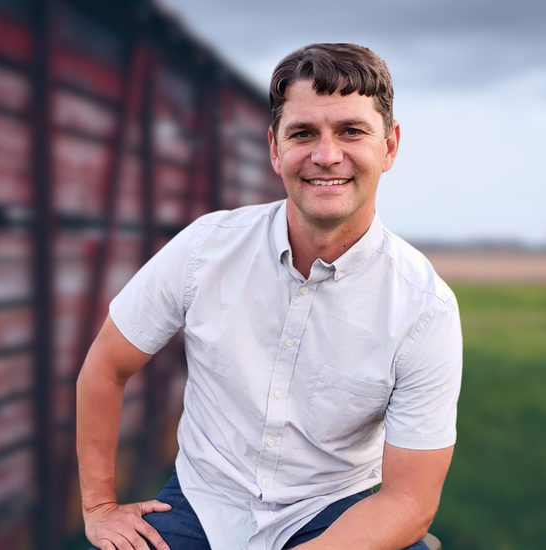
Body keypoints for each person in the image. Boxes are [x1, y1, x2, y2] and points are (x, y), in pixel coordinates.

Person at [77, 43, 463, 550]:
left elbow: (409, 502)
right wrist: (100, 508)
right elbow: (106, 366)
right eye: (303, 133)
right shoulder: (205, 247)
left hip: (333, 513)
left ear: (389, 146)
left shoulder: (424, 308)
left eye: (352, 131)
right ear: (275, 149)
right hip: (202, 501)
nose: (326, 155)